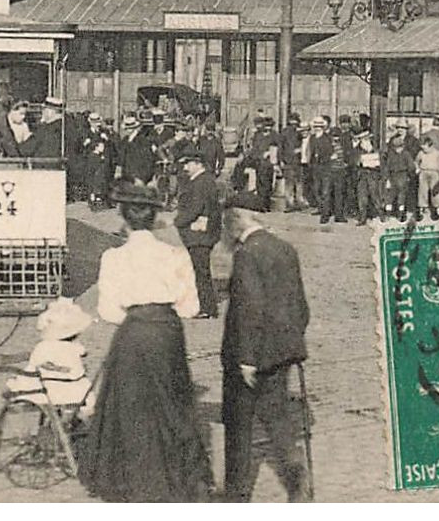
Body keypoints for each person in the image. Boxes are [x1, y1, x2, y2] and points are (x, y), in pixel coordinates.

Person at [82, 181, 212, 503]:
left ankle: (138, 483)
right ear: (155, 218)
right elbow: (191, 307)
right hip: (167, 335)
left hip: (134, 335)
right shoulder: (176, 254)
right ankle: (174, 482)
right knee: (173, 406)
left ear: (124, 217)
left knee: (132, 410)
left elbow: (109, 311)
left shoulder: (113, 258)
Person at [220, 193, 311, 502]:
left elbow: (249, 309)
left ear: (237, 220)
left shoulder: (246, 254)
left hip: (249, 354)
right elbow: (300, 305)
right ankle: (299, 482)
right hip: (282, 351)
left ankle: (236, 494)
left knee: (238, 426)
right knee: (277, 418)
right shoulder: (285, 249)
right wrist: (292, 341)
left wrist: (246, 358)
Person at [6, 297, 94, 412]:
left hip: (49, 389)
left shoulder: (42, 346)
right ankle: (71, 420)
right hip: (74, 391)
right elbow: (84, 353)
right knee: (82, 386)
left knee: (34, 375)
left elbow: (36, 362)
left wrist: (55, 367)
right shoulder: (74, 347)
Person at [173, 155, 222, 319]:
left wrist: (179, 221)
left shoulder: (202, 182)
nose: (185, 167)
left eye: (188, 163)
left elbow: (196, 207)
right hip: (203, 232)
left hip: (200, 233)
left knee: (201, 270)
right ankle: (206, 305)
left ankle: (207, 308)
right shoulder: (203, 180)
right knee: (200, 269)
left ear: (198, 164)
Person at [117, 114, 157, 186]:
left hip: (138, 178)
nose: (127, 130)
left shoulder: (143, 141)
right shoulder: (125, 140)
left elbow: (148, 161)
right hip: (126, 177)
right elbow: (121, 158)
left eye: (130, 128)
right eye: (127, 128)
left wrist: (143, 178)